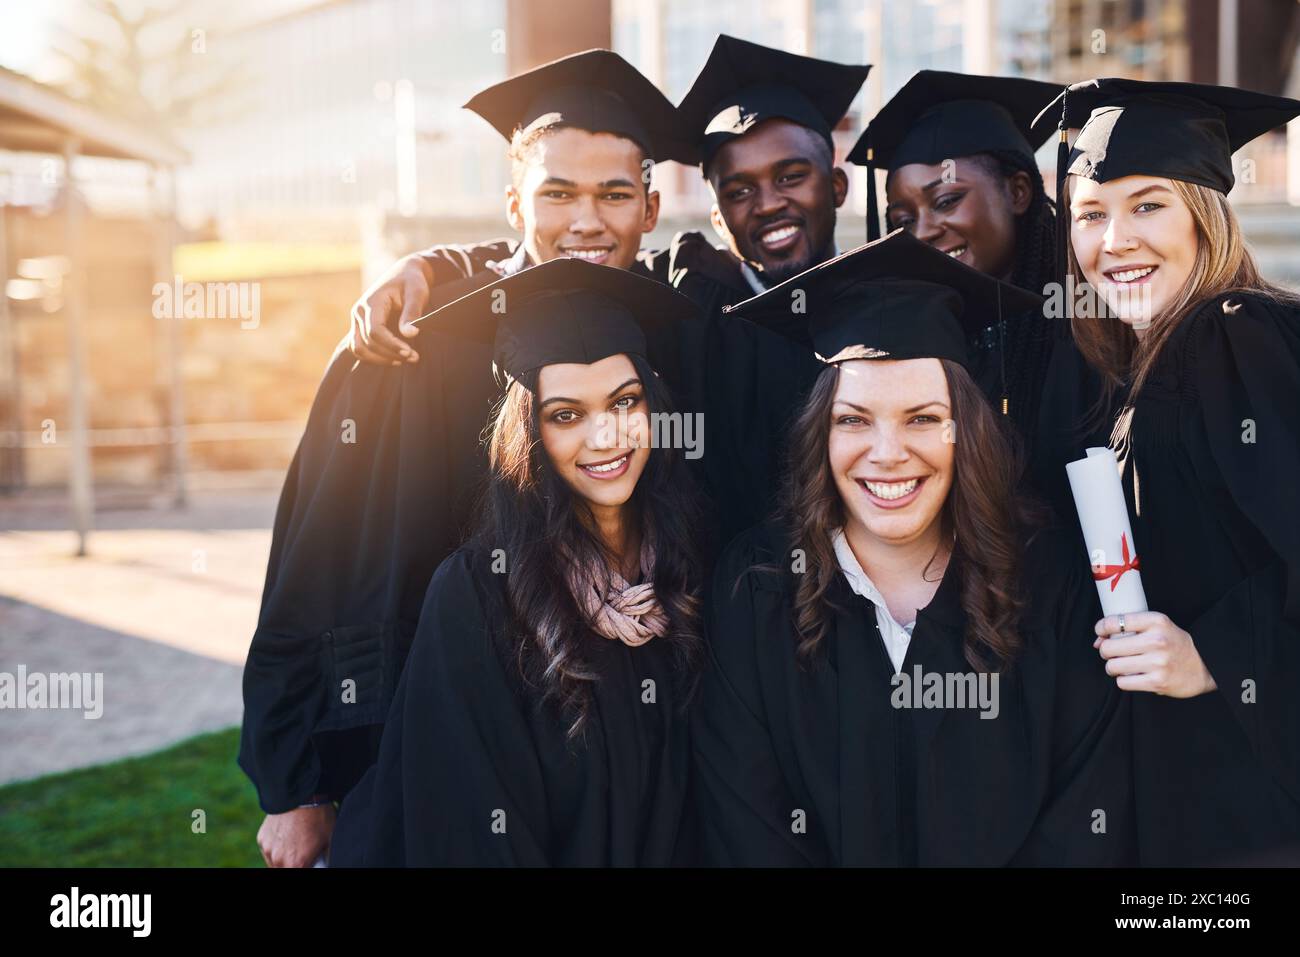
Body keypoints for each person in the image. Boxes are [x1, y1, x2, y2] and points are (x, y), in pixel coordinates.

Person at [239, 49, 693, 867]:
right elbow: (312, 561)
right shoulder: (408, 345)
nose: (585, 219)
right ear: (515, 200)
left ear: (651, 207)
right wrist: (297, 785)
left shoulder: (666, 337)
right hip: (424, 748)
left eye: (613, 194)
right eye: (557, 192)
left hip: (611, 758)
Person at [692, 230, 1134, 866]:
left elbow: (1086, 811)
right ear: (820, 434)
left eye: (923, 418)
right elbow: (746, 820)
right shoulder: (756, 585)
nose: (888, 453)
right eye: (854, 420)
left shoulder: (1048, 578)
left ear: (967, 432)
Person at [329, 258, 708, 865]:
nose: (606, 436)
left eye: (625, 402)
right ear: (527, 433)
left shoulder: (695, 572)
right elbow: (471, 823)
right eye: (566, 415)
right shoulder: (481, 596)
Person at [1036, 77, 1300, 865]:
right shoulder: (1146, 367)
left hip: (1256, 818)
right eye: (1090, 214)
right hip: (1194, 798)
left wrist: (1215, 654)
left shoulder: (1236, 334)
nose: (1114, 240)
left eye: (1147, 204)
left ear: (1204, 214)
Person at [849, 71, 1109, 522]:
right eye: (903, 219)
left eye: (947, 200)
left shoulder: (1090, 322)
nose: (924, 230)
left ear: (1018, 191)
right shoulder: (910, 339)